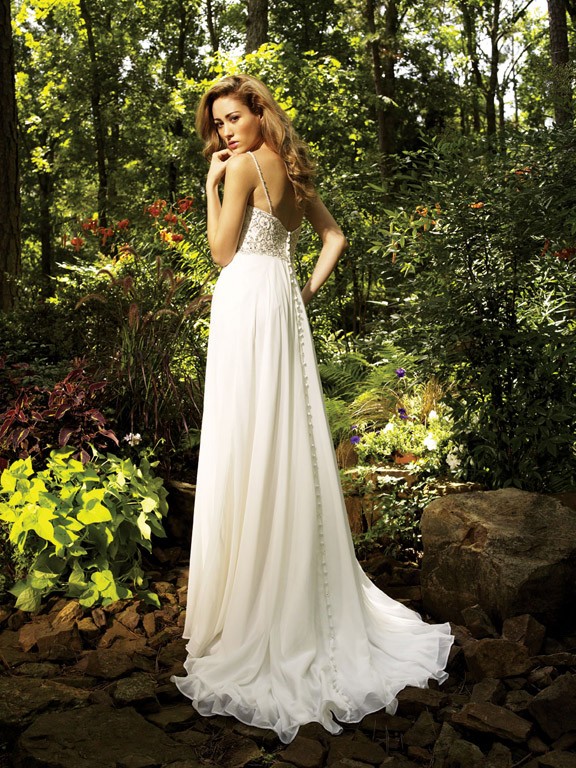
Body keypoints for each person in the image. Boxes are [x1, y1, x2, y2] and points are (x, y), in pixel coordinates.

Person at [172, 74, 453, 744]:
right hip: (278, 305)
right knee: (280, 440)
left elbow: (221, 253)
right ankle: (284, 579)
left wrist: (211, 187)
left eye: (234, 117)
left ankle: (254, 603)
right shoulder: (292, 170)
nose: (226, 132)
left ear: (258, 113)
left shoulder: (242, 168)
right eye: (218, 124)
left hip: (247, 302)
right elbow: (334, 238)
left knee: (250, 438)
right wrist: (302, 294)